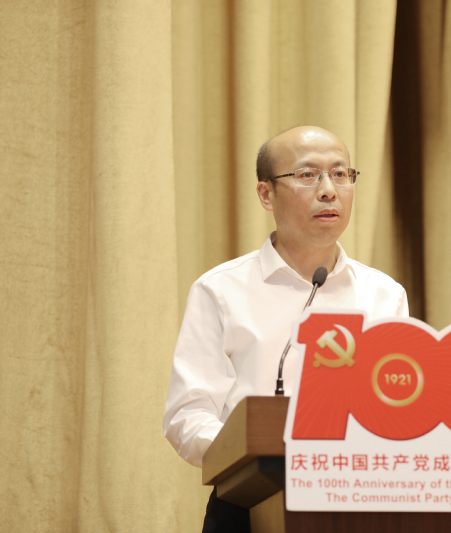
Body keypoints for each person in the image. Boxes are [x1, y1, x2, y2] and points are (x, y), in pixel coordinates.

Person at [163, 125, 409, 532]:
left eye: (341, 174)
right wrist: (255, 453)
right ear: (266, 194)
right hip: (248, 502)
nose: (329, 190)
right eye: (307, 175)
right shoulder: (220, 290)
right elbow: (187, 415)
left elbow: (397, 404)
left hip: (357, 499)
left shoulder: (384, 295)